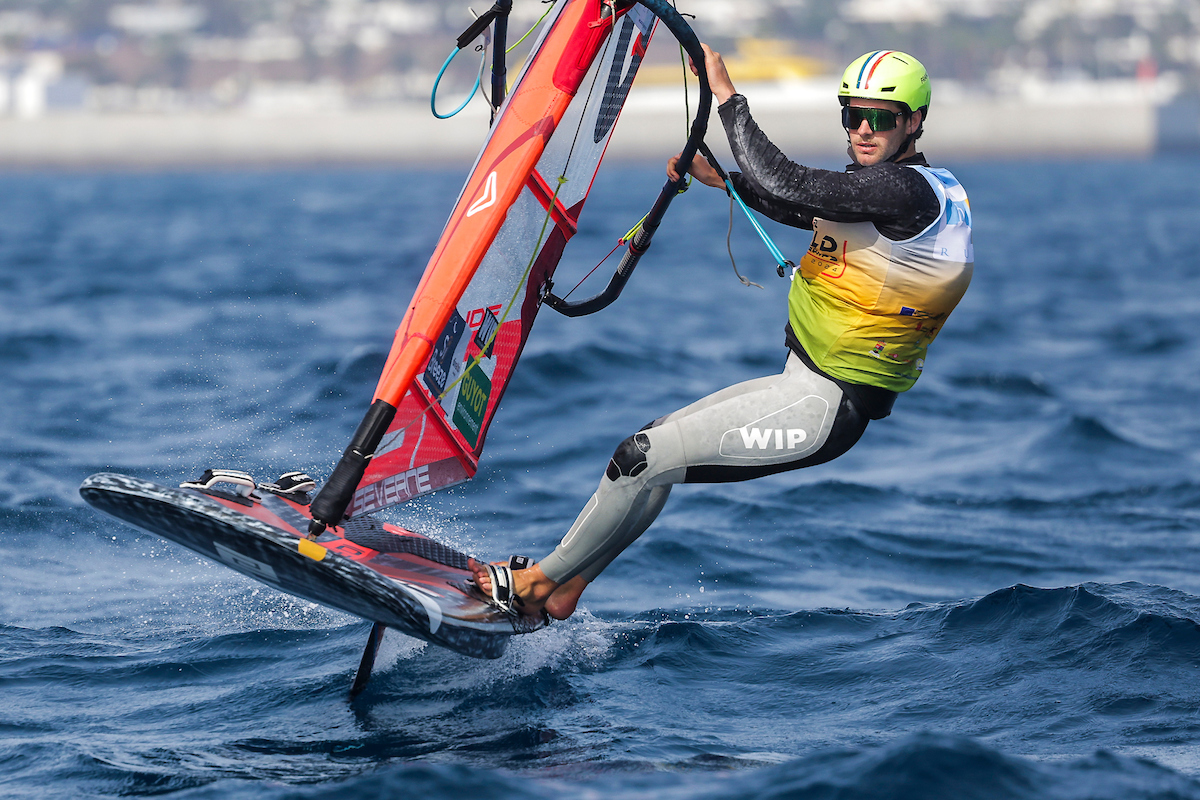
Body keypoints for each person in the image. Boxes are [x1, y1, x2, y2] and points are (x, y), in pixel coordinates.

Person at [470, 46, 974, 620]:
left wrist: (727, 94)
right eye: (851, 114)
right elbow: (804, 208)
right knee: (649, 445)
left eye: (881, 117)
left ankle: (537, 584)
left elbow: (784, 179)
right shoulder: (906, 192)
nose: (863, 128)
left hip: (826, 406)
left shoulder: (904, 191)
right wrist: (722, 182)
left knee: (641, 458)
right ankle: (565, 588)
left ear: (914, 121)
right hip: (803, 387)